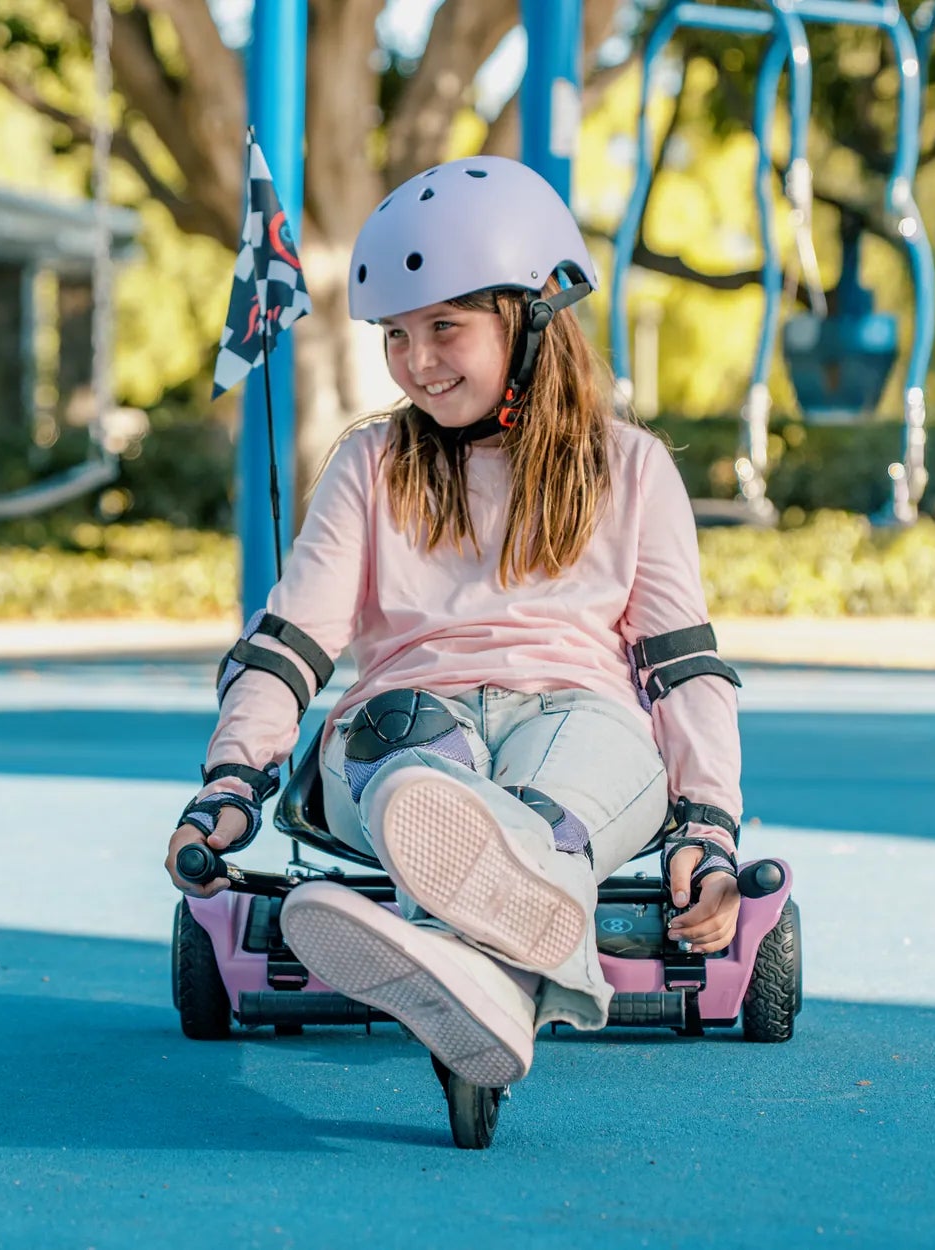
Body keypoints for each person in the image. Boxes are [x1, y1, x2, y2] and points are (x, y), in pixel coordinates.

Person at [165, 156, 743, 1086]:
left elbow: (683, 666)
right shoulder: (371, 463)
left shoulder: (631, 468)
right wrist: (233, 776)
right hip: (409, 717)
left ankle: (460, 955)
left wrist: (709, 823)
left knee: (560, 790)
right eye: (395, 335)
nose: (416, 363)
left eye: (445, 327)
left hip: (574, 713)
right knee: (414, 774)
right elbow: (291, 643)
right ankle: (508, 951)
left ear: (531, 318)